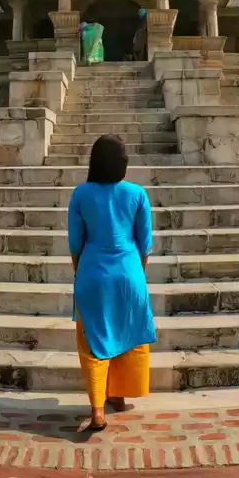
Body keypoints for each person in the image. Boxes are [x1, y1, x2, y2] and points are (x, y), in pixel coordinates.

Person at [68, 134, 155, 431]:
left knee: (93, 341)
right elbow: (145, 243)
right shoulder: (137, 193)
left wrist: (80, 272)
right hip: (129, 273)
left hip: (93, 272)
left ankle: (97, 409)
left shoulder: (80, 194)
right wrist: (138, 274)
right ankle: (117, 394)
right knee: (125, 333)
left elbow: (75, 242)